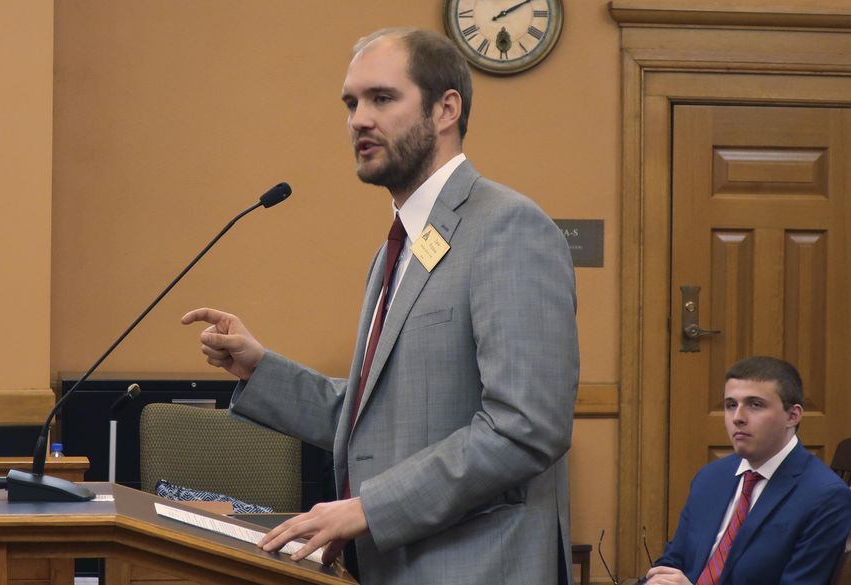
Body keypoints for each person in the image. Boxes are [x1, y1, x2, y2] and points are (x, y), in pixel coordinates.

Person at [182, 27, 579, 585]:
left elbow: (526, 427)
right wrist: (258, 368)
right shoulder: (398, 249)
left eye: (382, 99)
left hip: (477, 565)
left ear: (446, 109)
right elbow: (384, 420)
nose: (358, 120)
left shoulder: (507, 228)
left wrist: (368, 509)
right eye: (351, 103)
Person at [645, 356, 851, 585]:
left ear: (793, 416)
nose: (738, 418)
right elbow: (674, 561)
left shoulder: (826, 496)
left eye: (755, 405)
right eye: (731, 405)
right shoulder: (710, 477)